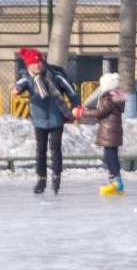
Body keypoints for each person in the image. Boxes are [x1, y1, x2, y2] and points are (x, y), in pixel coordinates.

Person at [14, 48, 78, 195]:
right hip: (39, 120)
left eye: (39, 62)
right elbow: (20, 85)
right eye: (33, 63)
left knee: (55, 149)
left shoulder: (55, 76)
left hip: (56, 118)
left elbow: (71, 91)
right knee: (41, 150)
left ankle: (56, 177)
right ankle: (41, 179)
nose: (37, 66)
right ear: (28, 65)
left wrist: (76, 106)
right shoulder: (27, 79)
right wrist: (17, 89)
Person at [74, 71, 129, 195]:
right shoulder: (116, 95)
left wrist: (82, 113)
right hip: (111, 129)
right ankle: (114, 180)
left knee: (110, 156)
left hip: (109, 130)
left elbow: (100, 112)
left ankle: (117, 181)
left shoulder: (108, 97)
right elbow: (101, 111)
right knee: (109, 156)